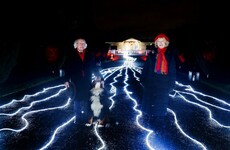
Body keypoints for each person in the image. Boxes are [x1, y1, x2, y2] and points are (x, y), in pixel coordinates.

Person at [140, 33, 178, 130]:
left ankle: (159, 125)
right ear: (156, 43)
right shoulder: (152, 55)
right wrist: (143, 80)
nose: (161, 43)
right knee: (149, 102)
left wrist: (171, 85)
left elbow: (172, 71)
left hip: (163, 83)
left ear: (166, 43)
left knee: (160, 104)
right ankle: (147, 121)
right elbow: (146, 68)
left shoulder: (169, 56)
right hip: (150, 81)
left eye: (163, 41)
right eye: (159, 41)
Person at [63, 38, 104, 125]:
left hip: (86, 81)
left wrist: (100, 77)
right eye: (79, 43)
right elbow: (67, 69)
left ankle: (86, 117)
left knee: (86, 99)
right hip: (76, 81)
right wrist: (66, 80)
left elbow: (94, 67)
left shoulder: (89, 54)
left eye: (83, 43)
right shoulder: (71, 55)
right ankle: (78, 118)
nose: (81, 45)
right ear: (76, 45)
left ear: (85, 45)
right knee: (77, 100)